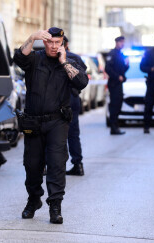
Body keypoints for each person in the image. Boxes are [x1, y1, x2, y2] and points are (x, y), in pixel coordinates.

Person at [13, 27, 88, 224]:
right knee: (32, 164)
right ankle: (33, 199)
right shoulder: (34, 59)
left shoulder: (70, 62)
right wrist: (31, 37)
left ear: (63, 44)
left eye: (58, 43)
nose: (54, 47)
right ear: (44, 42)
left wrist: (64, 63)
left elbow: (81, 82)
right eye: (50, 42)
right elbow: (19, 58)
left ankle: (55, 205)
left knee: (56, 164)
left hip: (57, 122)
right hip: (34, 121)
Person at [63, 35, 87, 176]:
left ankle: (49, 165)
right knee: (73, 133)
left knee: (52, 133)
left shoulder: (55, 58)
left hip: (62, 99)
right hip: (73, 98)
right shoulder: (76, 58)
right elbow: (83, 78)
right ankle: (78, 164)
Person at [105, 36, 129, 135]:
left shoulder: (121, 54)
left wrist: (127, 65)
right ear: (117, 42)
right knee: (114, 105)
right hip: (114, 83)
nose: (122, 44)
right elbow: (108, 69)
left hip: (119, 83)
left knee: (118, 104)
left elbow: (122, 69)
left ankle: (115, 126)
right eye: (121, 42)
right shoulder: (112, 54)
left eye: (123, 42)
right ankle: (113, 127)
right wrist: (117, 76)